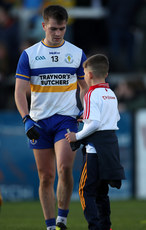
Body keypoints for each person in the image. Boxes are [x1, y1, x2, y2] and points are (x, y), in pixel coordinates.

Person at [14, 5, 88, 230]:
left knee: (65, 167)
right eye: (53, 29)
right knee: (45, 176)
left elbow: (86, 88)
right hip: (38, 122)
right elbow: (19, 91)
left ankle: (61, 220)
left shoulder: (76, 53)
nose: (58, 34)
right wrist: (26, 119)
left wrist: (83, 112)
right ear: (44, 26)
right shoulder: (29, 55)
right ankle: (49, 226)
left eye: (62, 29)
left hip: (66, 119)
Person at [65, 54, 125, 230]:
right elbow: (114, 118)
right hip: (110, 148)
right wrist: (86, 118)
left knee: (86, 191)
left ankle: (95, 226)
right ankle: (106, 226)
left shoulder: (91, 94)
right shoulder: (110, 93)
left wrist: (77, 136)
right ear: (105, 74)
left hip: (95, 151)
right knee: (102, 193)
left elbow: (96, 124)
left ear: (89, 75)